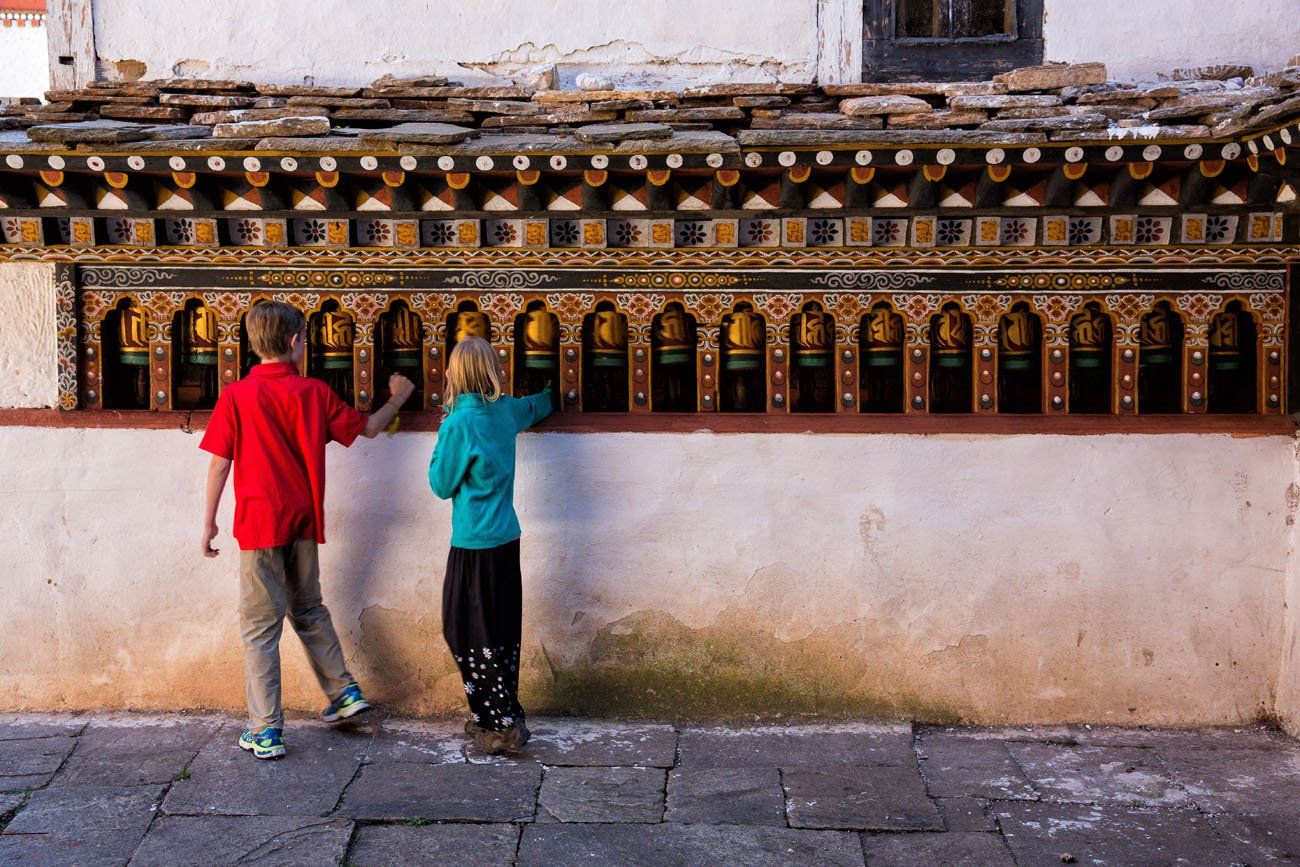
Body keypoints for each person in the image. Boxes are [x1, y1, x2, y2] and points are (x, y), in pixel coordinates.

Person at [199, 301, 415, 760]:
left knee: (260, 628)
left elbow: (220, 464)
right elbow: (371, 428)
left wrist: (209, 522)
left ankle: (265, 730)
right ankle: (342, 693)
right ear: (296, 342)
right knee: (308, 608)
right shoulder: (313, 393)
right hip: (302, 520)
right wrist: (398, 396)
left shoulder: (236, 396)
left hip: (259, 525)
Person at [429, 335, 553, 754]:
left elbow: (440, 484)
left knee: (463, 630)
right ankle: (499, 716)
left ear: (457, 374)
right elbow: (536, 406)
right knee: (499, 631)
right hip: (506, 539)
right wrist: (553, 393)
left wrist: (444, 429)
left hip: (474, 544)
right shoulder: (504, 413)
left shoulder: (458, 424)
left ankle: (500, 724)